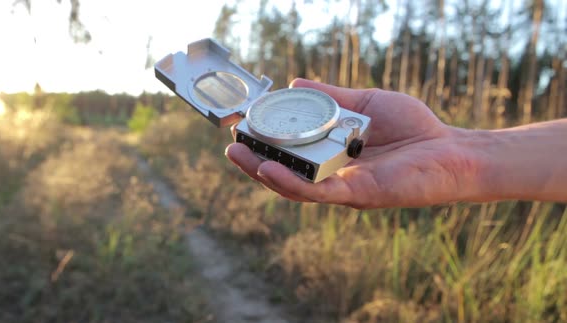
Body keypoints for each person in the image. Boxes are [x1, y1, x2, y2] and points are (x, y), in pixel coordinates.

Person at [225, 78, 567, 209]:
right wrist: (458, 154)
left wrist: (458, 154)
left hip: (290, 123)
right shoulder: (261, 119)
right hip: (268, 124)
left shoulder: (348, 125)